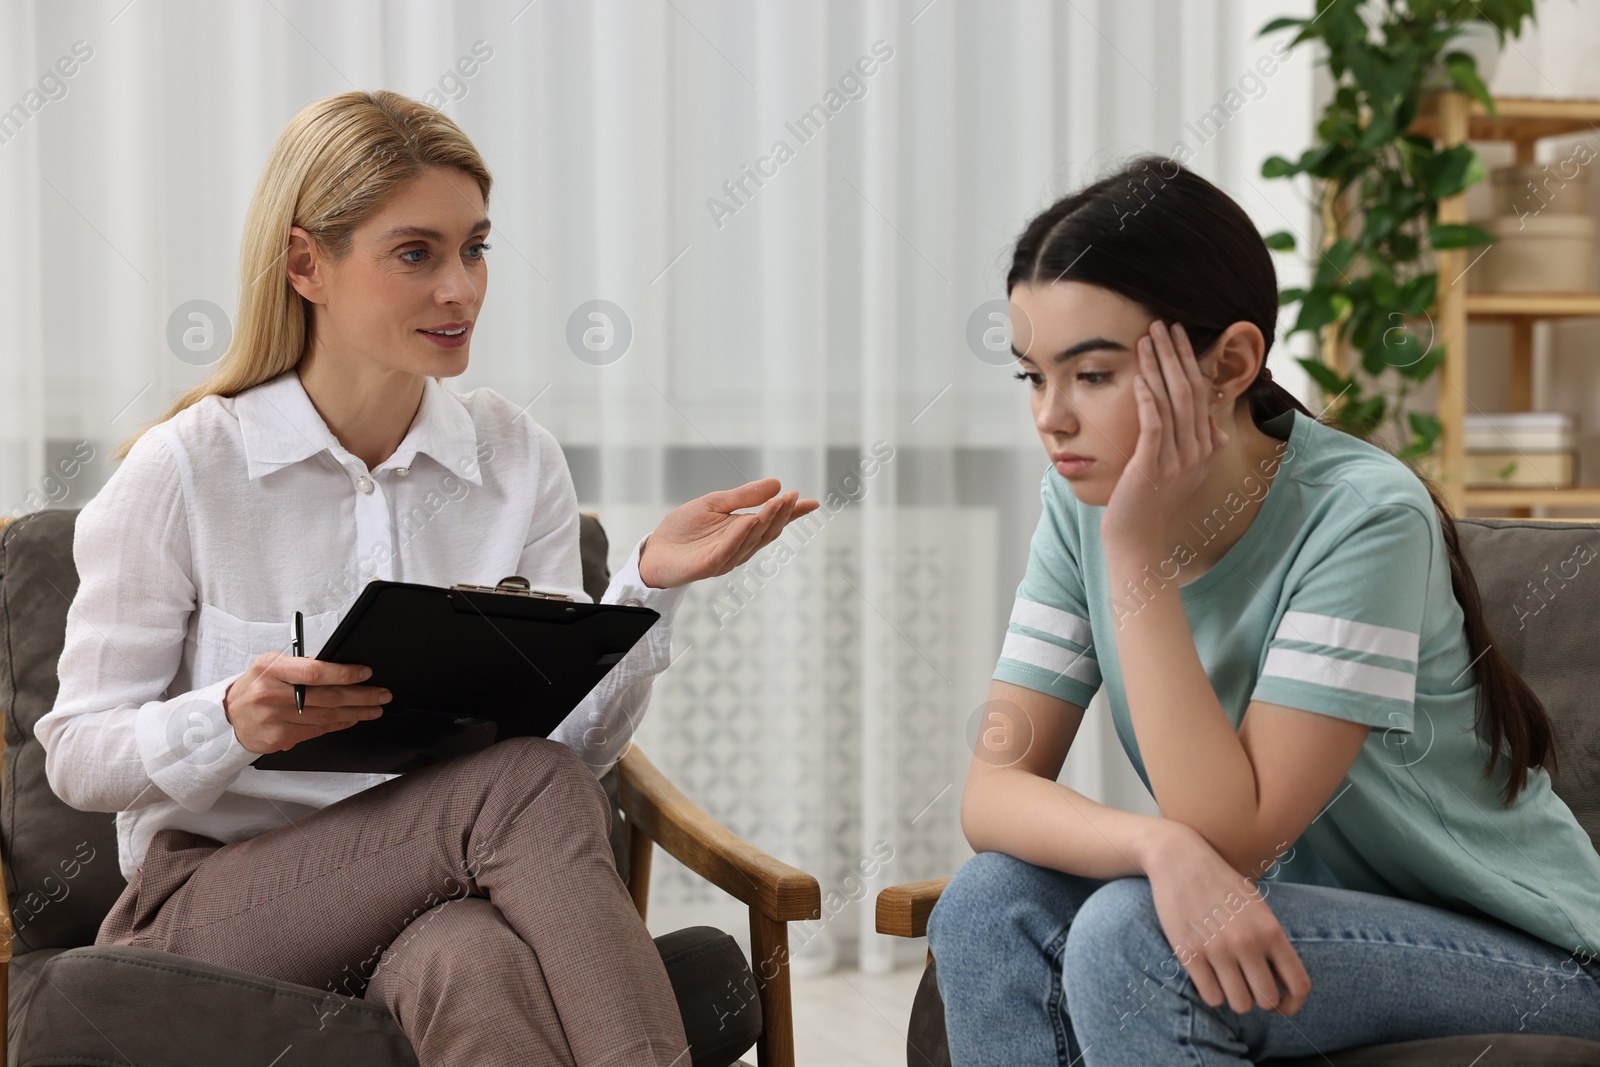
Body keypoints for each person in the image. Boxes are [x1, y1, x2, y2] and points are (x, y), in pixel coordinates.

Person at [36, 89, 818, 1067]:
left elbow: (568, 753)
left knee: (474, 961)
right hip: (214, 900)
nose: (462, 289)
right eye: (418, 253)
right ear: (305, 263)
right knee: (521, 788)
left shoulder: (514, 456)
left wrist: (649, 586)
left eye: (475, 248)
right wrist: (230, 716)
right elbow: (76, 754)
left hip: (442, 893)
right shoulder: (184, 469)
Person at [925, 155, 1600, 1066]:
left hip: (1533, 955)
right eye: (1032, 378)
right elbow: (994, 792)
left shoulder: (1362, 516)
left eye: (1091, 374)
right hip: (1304, 926)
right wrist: (1157, 845)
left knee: (1138, 934)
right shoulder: (1077, 510)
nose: (1052, 417)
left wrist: (1135, 554)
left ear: (1230, 362)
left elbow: (1235, 834)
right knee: (986, 901)